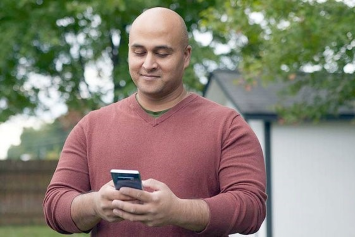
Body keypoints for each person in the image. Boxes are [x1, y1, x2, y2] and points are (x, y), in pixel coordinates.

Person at [43, 7, 267, 237]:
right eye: (139, 52)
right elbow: (55, 206)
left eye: (162, 53)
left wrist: (178, 211)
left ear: (186, 55)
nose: (148, 64)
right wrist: (95, 204)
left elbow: (252, 208)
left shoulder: (226, 126)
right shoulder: (91, 126)